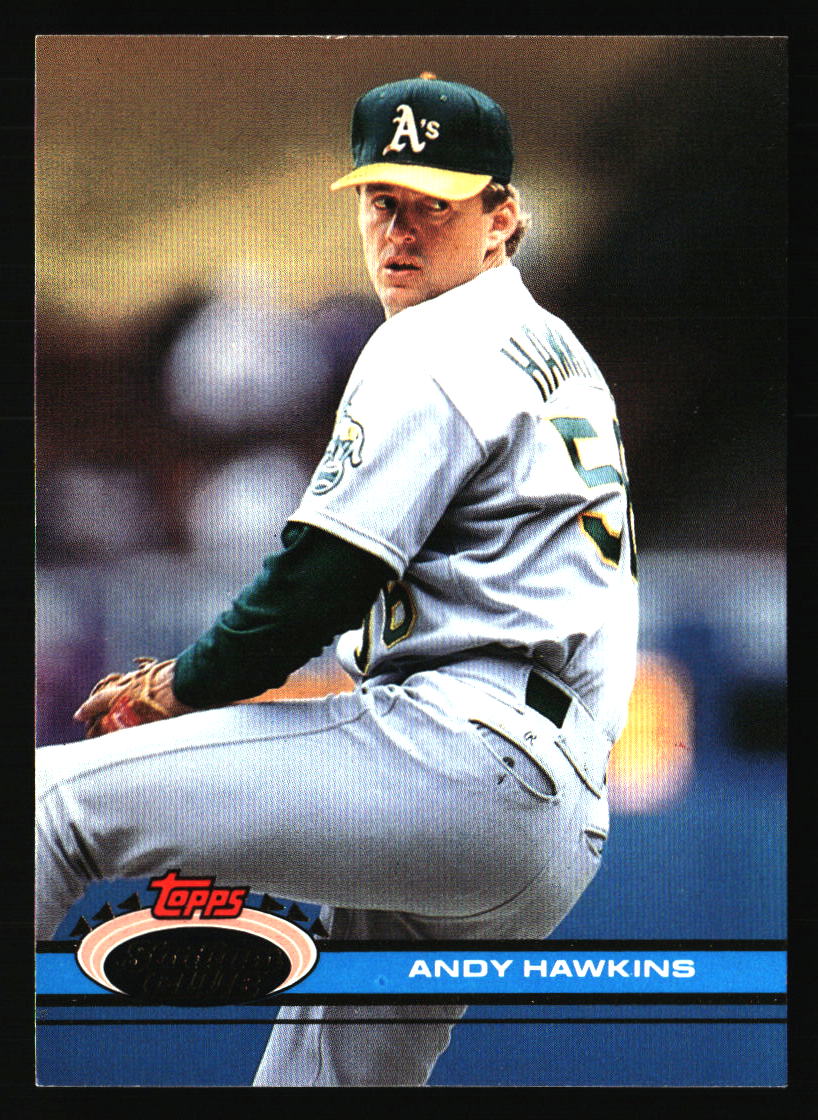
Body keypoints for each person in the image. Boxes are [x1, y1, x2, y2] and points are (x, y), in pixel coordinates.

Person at [36, 74, 638, 1087]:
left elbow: (322, 576)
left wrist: (181, 687)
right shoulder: (560, 355)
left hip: (460, 763)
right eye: (380, 201)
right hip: (552, 813)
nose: (398, 232)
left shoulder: (434, 339)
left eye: (433, 205)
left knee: (49, 807)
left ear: (502, 218)